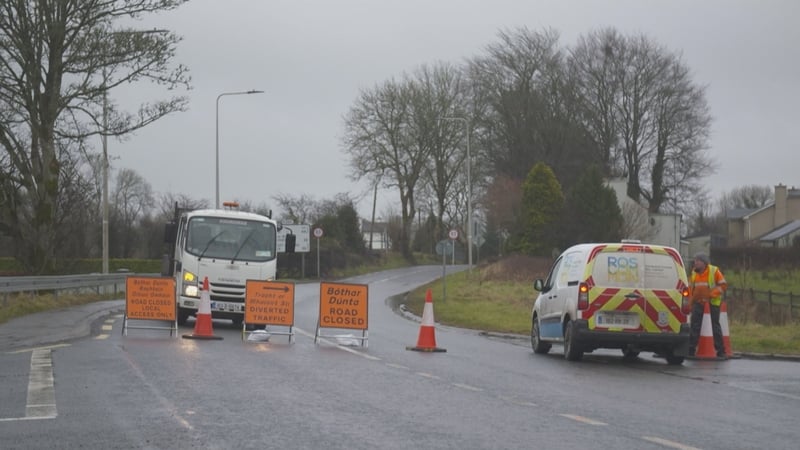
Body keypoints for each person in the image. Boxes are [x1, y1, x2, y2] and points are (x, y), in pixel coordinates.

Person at [688, 252, 728, 359]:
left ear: (704, 262)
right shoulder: (694, 273)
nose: (695, 263)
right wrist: (690, 304)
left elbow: (723, 285)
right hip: (698, 303)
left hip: (712, 304)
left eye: (698, 261)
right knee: (694, 326)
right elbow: (692, 290)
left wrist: (710, 295)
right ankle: (690, 350)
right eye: (695, 260)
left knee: (715, 327)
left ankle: (721, 351)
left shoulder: (714, 271)